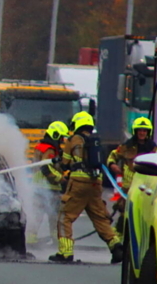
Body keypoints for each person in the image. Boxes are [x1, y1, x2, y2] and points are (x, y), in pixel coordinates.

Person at [50, 111, 123, 264]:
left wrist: (56, 162)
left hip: (78, 184)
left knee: (65, 217)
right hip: (96, 184)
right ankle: (116, 247)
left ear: (77, 124)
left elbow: (65, 164)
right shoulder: (95, 141)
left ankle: (65, 253)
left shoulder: (73, 140)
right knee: (100, 218)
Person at [107, 117, 157, 224]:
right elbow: (113, 155)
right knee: (124, 216)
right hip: (128, 188)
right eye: (140, 130)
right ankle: (121, 237)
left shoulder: (153, 148)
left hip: (146, 187)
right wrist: (112, 165)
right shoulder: (127, 146)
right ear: (135, 131)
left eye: (144, 130)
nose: (142, 133)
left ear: (148, 132)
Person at [33, 121, 69, 243]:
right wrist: (61, 179)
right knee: (54, 217)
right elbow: (46, 168)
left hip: (38, 187)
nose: (62, 141)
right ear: (55, 135)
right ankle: (56, 240)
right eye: (61, 137)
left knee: (37, 215)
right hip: (49, 188)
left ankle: (30, 241)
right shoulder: (50, 150)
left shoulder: (41, 146)